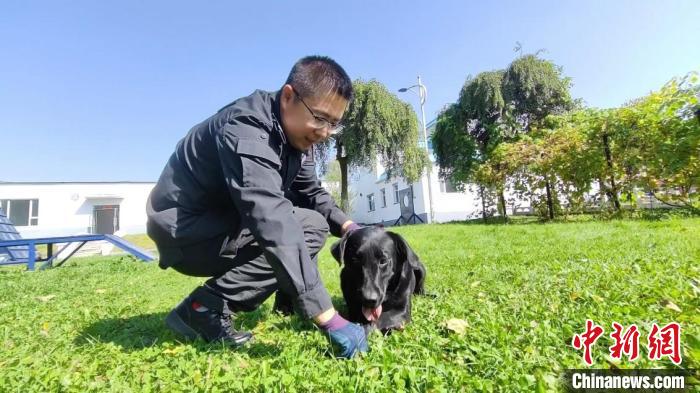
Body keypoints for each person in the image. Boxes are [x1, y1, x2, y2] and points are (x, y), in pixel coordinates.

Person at [146, 55, 367, 359]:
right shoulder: (246, 127)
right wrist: (328, 317)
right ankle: (203, 307)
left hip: (221, 224)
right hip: (187, 232)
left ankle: (279, 301)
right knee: (305, 228)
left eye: (334, 124)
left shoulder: (297, 141)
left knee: (311, 221)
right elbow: (269, 217)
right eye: (319, 117)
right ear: (289, 96)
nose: (325, 132)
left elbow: (311, 192)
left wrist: (350, 228)